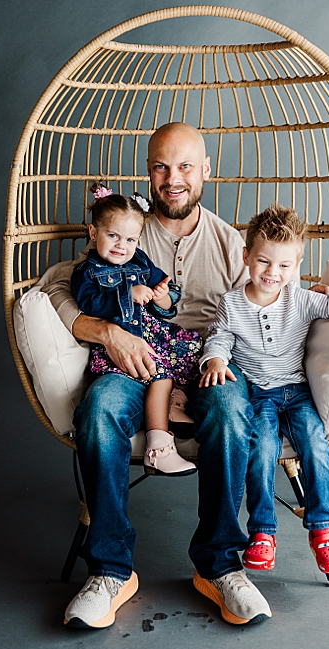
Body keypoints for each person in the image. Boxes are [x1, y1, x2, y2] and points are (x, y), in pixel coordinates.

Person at [44, 121, 279, 629]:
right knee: (101, 406)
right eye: (160, 167)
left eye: (185, 167)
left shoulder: (227, 241)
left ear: (206, 172)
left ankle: (220, 566)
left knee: (231, 407)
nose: (173, 179)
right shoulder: (124, 229)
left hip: (206, 361)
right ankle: (110, 570)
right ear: (148, 172)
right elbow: (57, 285)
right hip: (134, 360)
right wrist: (106, 331)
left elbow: (272, 299)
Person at [199, 204, 329, 575]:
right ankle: (263, 532)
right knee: (262, 448)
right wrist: (215, 360)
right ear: (246, 256)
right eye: (264, 262)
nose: (273, 273)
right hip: (260, 396)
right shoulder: (231, 304)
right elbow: (218, 337)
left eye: (284, 266)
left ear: (296, 265)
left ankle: (322, 528)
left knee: (314, 442)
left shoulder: (298, 298)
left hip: (296, 392)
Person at [71, 184, 201, 476]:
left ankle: (173, 404)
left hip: (154, 334)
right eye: (113, 236)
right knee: (160, 374)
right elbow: (89, 301)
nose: (121, 246)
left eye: (130, 239)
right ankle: (159, 444)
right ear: (94, 233)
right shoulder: (87, 272)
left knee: (194, 349)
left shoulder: (139, 259)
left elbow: (165, 293)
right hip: (122, 346)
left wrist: (163, 296)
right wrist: (128, 294)